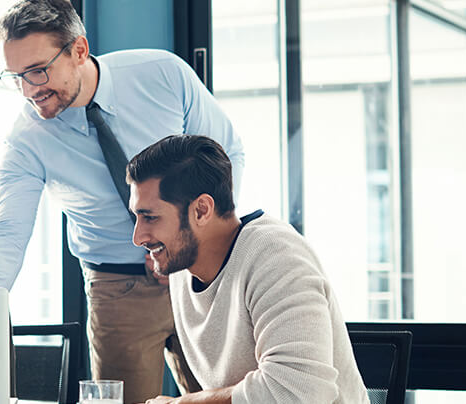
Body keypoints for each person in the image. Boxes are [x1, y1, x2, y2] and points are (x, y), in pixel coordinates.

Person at [0, 0, 244, 403]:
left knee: (224, 397)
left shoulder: (162, 75)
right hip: (118, 288)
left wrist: (198, 244)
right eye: (16, 76)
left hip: (200, 271)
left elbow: (227, 155)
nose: (29, 90)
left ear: (79, 50)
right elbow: (8, 230)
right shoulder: (27, 138)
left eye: (38, 71)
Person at [126, 135, 369, 404]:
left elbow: (299, 392)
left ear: (202, 210)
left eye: (150, 217)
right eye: (136, 217)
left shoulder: (276, 257)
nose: (138, 237)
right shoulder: (183, 267)